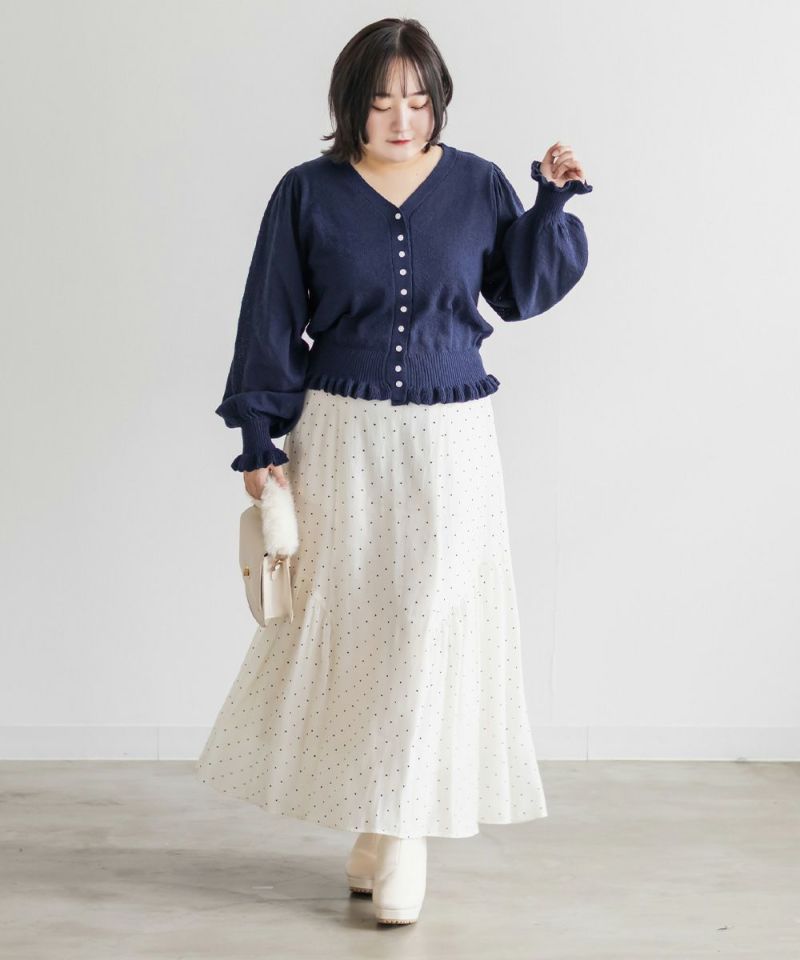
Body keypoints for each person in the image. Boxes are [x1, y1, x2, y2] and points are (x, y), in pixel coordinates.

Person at [196, 16, 592, 926]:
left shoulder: (479, 183)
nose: (402, 119)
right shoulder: (306, 192)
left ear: (438, 102)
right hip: (340, 440)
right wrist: (259, 443)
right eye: (381, 103)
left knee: (427, 626)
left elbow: (517, 291)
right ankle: (380, 819)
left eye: (417, 100)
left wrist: (549, 209)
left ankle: (403, 831)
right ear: (350, 107)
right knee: (363, 633)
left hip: (452, 442)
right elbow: (268, 317)